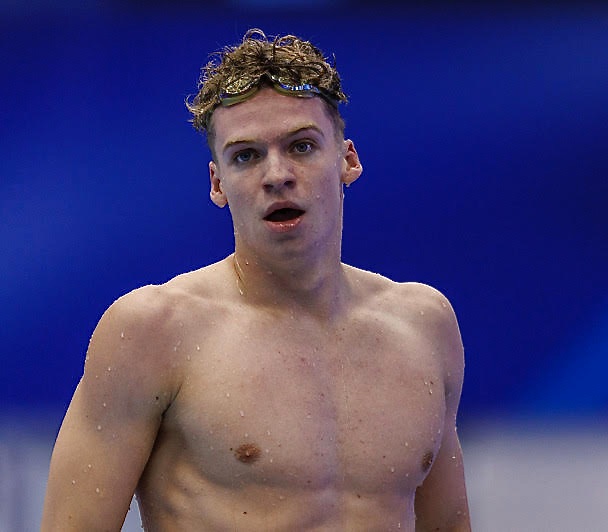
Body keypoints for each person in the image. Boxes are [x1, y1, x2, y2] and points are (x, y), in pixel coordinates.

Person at [41, 29, 470, 531]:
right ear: (218, 183)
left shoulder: (425, 327)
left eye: (302, 146)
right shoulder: (153, 331)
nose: (277, 174)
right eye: (246, 155)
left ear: (347, 160)